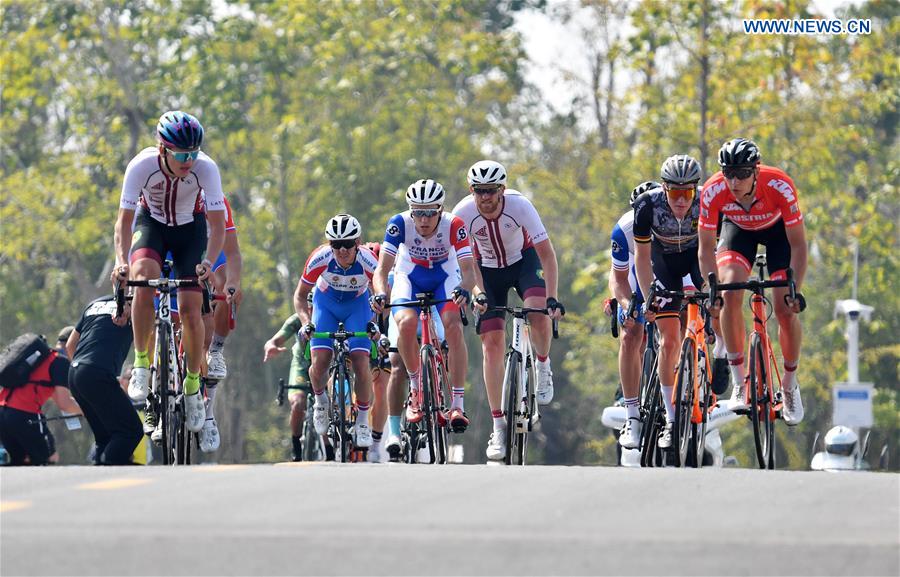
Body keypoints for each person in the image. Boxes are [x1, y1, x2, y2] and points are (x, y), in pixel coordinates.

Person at [112, 110, 226, 435]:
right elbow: (123, 222)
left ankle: (191, 386)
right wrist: (121, 261)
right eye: (181, 154)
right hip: (153, 227)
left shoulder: (206, 168)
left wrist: (209, 261)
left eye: (193, 152)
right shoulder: (141, 166)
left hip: (191, 231)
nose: (189, 160)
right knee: (143, 275)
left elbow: (217, 226)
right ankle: (141, 364)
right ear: (162, 149)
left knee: (191, 310)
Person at [452, 161, 564, 461]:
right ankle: (499, 426)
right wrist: (477, 293)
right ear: (471, 190)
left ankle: (542, 365)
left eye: (490, 191)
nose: (485, 198)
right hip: (486, 271)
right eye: (479, 191)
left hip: (524, 263)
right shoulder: (462, 214)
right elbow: (464, 263)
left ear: (502, 190)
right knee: (491, 344)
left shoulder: (521, 206)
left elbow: (547, 256)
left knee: (537, 313)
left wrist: (551, 298)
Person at [698, 138, 807, 425]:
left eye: (743, 173)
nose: (735, 181)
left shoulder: (779, 184)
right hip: (738, 231)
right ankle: (739, 382)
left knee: (785, 309)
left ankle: (789, 384)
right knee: (729, 293)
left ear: (756, 170)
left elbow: (799, 245)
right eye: (729, 173)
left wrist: (795, 290)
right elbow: (705, 247)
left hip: (778, 234)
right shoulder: (713, 190)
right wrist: (712, 290)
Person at [371, 179, 485, 439]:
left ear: (440, 210)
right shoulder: (398, 223)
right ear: (411, 211)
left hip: (444, 277)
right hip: (409, 276)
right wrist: (380, 293)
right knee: (405, 323)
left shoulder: (454, 225)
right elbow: (383, 269)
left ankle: (457, 404)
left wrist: (465, 290)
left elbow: (468, 273)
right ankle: (415, 389)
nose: (423, 220)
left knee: (453, 324)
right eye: (418, 212)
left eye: (430, 212)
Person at [633, 154, 704, 449]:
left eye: (687, 193)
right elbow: (641, 256)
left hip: (697, 256)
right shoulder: (647, 206)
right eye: (675, 192)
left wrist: (713, 289)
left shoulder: (706, 203)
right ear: (664, 189)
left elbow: (715, 246)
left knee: (719, 301)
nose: (681, 200)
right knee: (670, 341)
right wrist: (651, 292)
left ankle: (722, 357)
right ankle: (672, 418)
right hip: (663, 263)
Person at [293, 214, 379, 449]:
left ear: (358, 242)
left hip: (357, 306)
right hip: (326, 304)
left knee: (361, 361)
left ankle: (362, 420)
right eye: (336, 245)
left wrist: (374, 323)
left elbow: (382, 296)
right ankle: (321, 401)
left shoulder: (369, 260)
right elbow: (300, 296)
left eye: (348, 244)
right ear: (329, 245)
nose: (342, 250)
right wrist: (305, 322)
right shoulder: (319, 257)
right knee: (320, 361)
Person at [65, 295, 143, 465]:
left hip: (75, 373)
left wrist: (85, 371)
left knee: (105, 437)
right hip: (96, 374)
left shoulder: (95, 303)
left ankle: (100, 470)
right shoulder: (137, 305)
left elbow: (70, 345)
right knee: (131, 432)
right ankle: (109, 465)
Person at [199, 194, 243, 453]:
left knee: (226, 284)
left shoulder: (215, 200)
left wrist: (232, 284)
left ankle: (216, 349)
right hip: (174, 252)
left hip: (210, 259)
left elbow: (233, 252)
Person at [0, 335, 79, 466]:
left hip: (2, 412)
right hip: (24, 415)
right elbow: (65, 404)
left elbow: (58, 397)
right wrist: (89, 411)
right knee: (49, 458)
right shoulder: (59, 362)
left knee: (20, 461)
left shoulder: (37, 361)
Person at [264, 305, 314, 462]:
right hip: (302, 366)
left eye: (315, 307)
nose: (311, 312)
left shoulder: (330, 317)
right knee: (298, 403)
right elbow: (273, 340)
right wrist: (271, 346)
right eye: (308, 307)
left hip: (325, 366)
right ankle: (296, 444)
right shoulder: (296, 320)